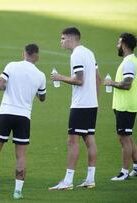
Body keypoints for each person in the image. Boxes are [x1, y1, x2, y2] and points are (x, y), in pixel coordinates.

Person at [0, 44, 46, 199]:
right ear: (37, 56)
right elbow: (42, 97)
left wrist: (11, 87)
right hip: (24, 117)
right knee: (21, 155)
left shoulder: (12, 66)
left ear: (24, 54)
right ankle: (17, 191)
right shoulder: (40, 75)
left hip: (6, 113)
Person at [50, 27, 101, 190]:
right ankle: (90, 179)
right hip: (91, 104)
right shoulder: (89, 52)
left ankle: (67, 181)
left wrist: (60, 77)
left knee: (72, 141)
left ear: (71, 39)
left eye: (63, 38)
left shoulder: (76, 55)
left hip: (80, 105)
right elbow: (98, 78)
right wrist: (95, 100)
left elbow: (80, 80)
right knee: (89, 139)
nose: (61, 41)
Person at [104, 32, 137, 180]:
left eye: (118, 43)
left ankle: (124, 172)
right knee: (127, 138)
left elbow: (127, 84)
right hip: (124, 106)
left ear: (123, 44)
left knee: (124, 139)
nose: (117, 46)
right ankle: (136, 167)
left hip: (126, 107)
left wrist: (112, 83)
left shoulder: (129, 62)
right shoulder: (129, 60)